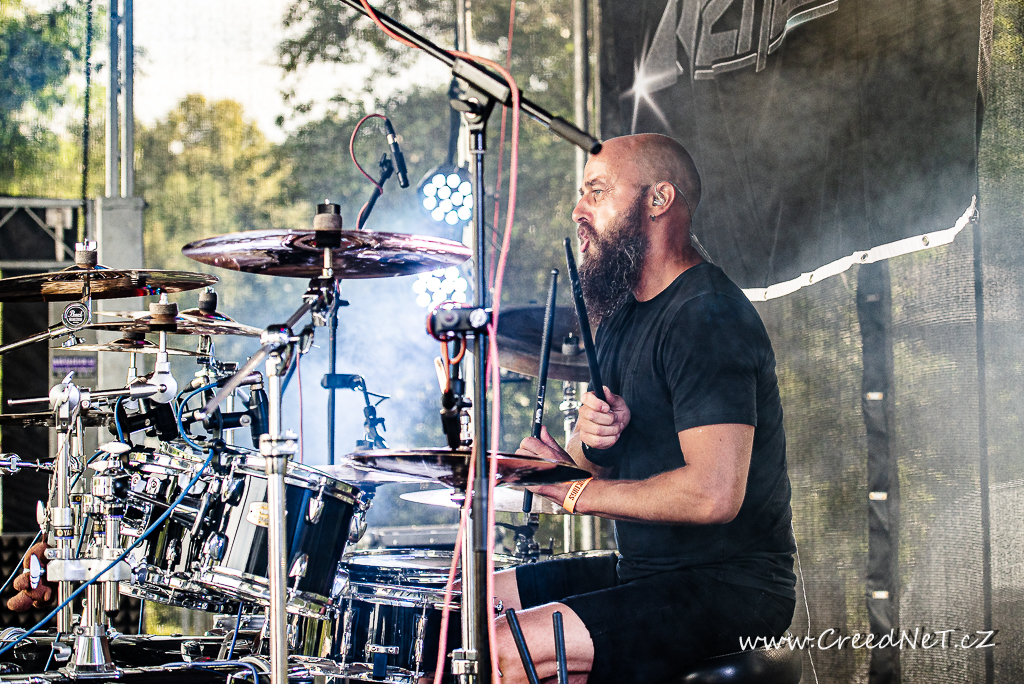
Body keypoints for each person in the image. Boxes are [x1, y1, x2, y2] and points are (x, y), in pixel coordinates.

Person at [493, 133, 797, 683]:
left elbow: (713, 495)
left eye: (597, 191)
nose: (578, 211)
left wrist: (575, 491)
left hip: (731, 587)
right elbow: (590, 471)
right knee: (471, 602)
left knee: (503, 647)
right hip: (642, 570)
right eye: (581, 194)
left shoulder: (707, 317)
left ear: (658, 200)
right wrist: (586, 446)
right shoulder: (622, 316)